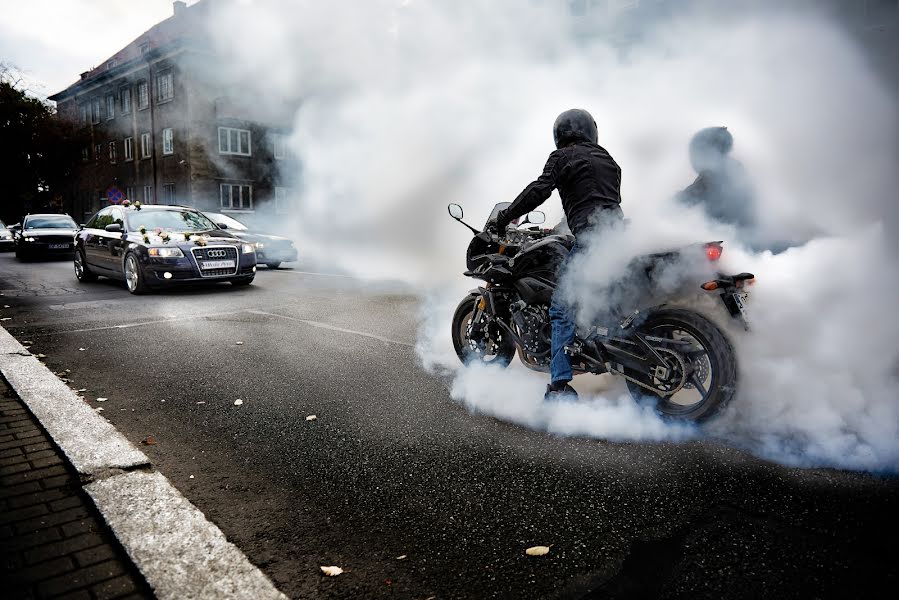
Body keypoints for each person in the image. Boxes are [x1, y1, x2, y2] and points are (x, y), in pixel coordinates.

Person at [494, 108, 623, 401]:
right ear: (591, 130)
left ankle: (559, 385)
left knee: (561, 307)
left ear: (560, 134)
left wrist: (507, 216)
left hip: (592, 241)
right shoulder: (608, 161)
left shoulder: (563, 156)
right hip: (618, 239)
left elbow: (540, 190)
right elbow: (595, 202)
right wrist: (558, 227)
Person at [678, 126, 756, 234]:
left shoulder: (713, 173)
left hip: (725, 234)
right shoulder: (736, 168)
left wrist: (666, 207)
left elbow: (689, 197)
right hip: (744, 231)